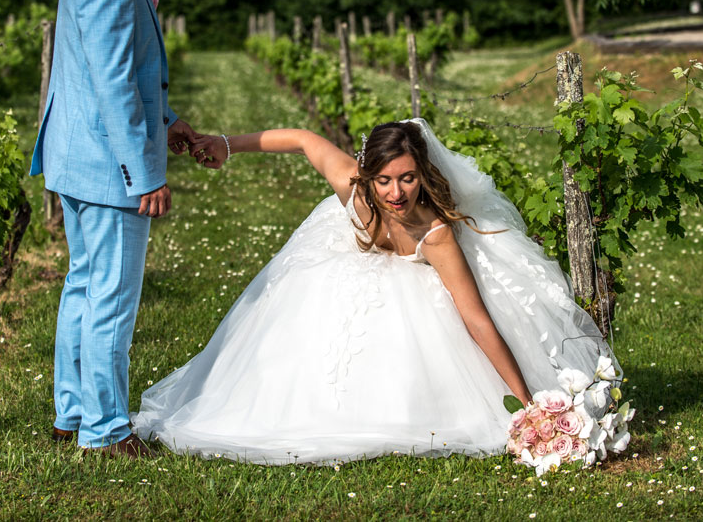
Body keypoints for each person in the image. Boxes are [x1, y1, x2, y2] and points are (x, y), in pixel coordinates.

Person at [131, 119, 619, 464]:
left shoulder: (436, 234)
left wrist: (526, 399)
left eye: (407, 178)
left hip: (413, 275)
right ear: (368, 177)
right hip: (346, 258)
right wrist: (224, 142)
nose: (395, 193)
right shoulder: (356, 190)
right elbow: (302, 139)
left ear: (422, 176)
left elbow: (475, 319)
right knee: (310, 305)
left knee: (403, 319)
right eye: (384, 179)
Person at [29, 0, 199, 457]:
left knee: (84, 286)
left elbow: (122, 68)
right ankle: (105, 430)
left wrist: (170, 124)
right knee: (112, 296)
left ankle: (72, 413)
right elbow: (112, 80)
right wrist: (145, 173)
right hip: (106, 166)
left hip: (77, 156)